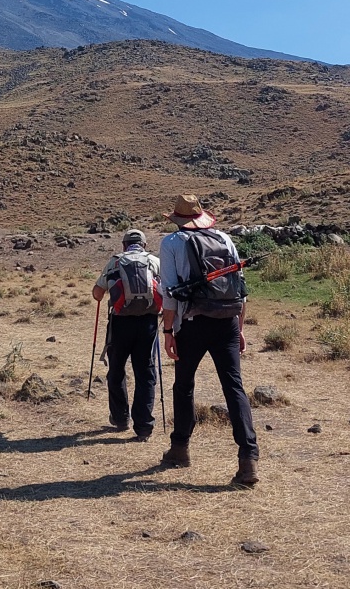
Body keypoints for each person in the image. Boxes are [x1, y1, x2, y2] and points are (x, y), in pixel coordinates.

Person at [158, 194, 260, 487]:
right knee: (234, 387)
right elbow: (240, 288)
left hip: (192, 323)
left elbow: (169, 293)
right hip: (227, 319)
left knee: (184, 384)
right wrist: (239, 328)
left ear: (177, 219)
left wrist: (168, 332)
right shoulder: (225, 239)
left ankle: (180, 449)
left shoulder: (172, 243)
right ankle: (248, 459)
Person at [92, 228, 162, 440]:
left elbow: (97, 294)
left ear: (124, 245)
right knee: (145, 374)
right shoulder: (154, 261)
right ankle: (143, 427)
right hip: (148, 323)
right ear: (144, 245)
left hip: (120, 323)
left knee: (116, 370)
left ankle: (120, 418)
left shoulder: (114, 262)